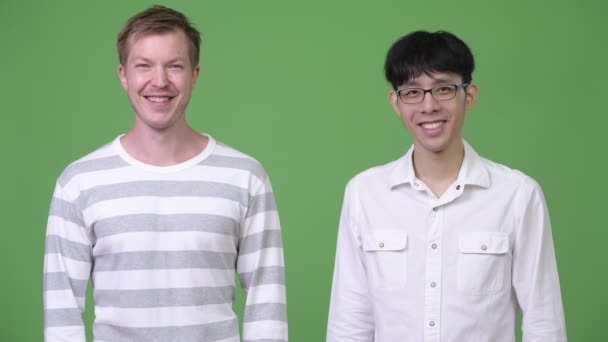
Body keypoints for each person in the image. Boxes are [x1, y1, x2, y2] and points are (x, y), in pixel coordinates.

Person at [43, 6, 287, 342]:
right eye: (143, 66)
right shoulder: (79, 183)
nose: (159, 81)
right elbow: (62, 317)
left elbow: (267, 306)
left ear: (195, 75)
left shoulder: (245, 177)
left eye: (174, 66)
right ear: (123, 75)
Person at [326, 31, 566, 342]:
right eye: (412, 92)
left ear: (470, 95)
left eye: (443, 89)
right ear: (396, 103)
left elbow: (544, 322)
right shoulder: (364, 194)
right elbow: (350, 323)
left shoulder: (518, 195)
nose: (429, 106)